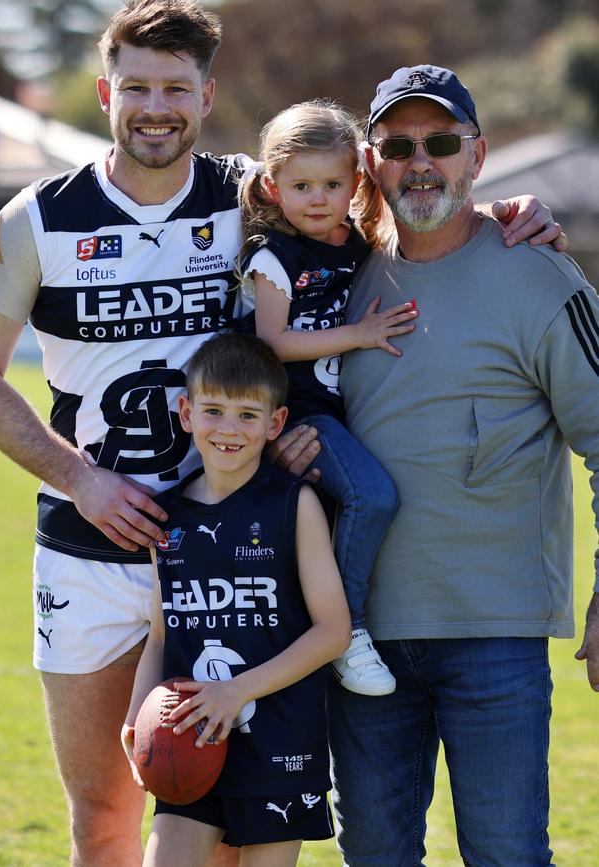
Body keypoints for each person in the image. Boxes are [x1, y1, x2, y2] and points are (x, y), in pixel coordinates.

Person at [0, 0, 566, 857]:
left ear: (207, 95)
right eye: (136, 86)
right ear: (104, 92)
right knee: (105, 811)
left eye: (175, 86)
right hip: (93, 548)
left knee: (236, 819)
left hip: (238, 545)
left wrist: (502, 211)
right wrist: (80, 479)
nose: (155, 105)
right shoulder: (37, 218)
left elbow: (376, 209)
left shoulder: (255, 194)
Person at [316, 64, 599, 867]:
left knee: (507, 855)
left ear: (477, 154)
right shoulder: (339, 277)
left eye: (440, 141)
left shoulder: (538, 273)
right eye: (397, 145)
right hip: (360, 637)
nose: (420, 161)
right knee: (372, 853)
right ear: (370, 161)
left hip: (495, 637)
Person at [121, 331, 351, 867]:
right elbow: (161, 634)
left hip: (279, 743)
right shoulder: (167, 516)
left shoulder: (295, 504)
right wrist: (137, 716)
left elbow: (332, 630)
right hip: (191, 735)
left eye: (248, 415)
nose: (229, 429)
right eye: (214, 411)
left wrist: (236, 691)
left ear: (275, 423)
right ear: (186, 412)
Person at [237, 99, 419, 696]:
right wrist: (359, 335)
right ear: (273, 187)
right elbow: (271, 342)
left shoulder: (362, 245)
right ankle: (345, 632)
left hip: (348, 412)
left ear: (357, 182)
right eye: (302, 185)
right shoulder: (275, 258)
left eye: (333, 183)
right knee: (373, 497)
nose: (318, 198)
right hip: (301, 415)